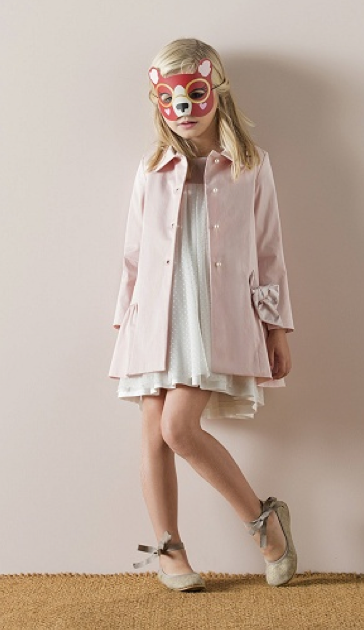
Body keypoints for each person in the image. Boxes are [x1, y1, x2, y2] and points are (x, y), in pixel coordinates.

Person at [108, 38, 297, 592]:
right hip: (154, 317)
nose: (183, 108)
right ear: (157, 102)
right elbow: (134, 254)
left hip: (213, 317)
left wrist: (277, 326)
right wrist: (126, 321)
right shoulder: (151, 168)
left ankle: (264, 523)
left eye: (193, 93)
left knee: (178, 428)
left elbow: (268, 251)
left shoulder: (250, 165)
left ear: (216, 90)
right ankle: (170, 552)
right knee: (153, 434)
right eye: (170, 99)